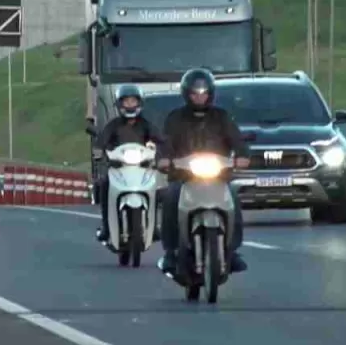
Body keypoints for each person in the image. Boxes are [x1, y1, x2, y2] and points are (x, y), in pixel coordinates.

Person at [156, 68, 250, 274]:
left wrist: (243, 155)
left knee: (233, 197)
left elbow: (237, 139)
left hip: (217, 177)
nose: (200, 97)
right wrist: (164, 159)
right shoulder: (175, 118)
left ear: (211, 94)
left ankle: (232, 250)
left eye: (204, 93)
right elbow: (165, 142)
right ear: (186, 94)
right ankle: (171, 251)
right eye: (195, 93)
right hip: (184, 177)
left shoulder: (222, 117)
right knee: (171, 197)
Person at [95, 84, 164, 245]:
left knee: (155, 189)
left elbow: (161, 140)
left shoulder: (145, 124)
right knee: (104, 184)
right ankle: (106, 227)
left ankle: (153, 227)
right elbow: (102, 141)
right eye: (126, 101)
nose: (130, 105)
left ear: (139, 103)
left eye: (133, 101)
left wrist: (162, 153)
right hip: (119, 168)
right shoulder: (114, 125)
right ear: (120, 104)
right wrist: (99, 151)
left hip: (142, 168)